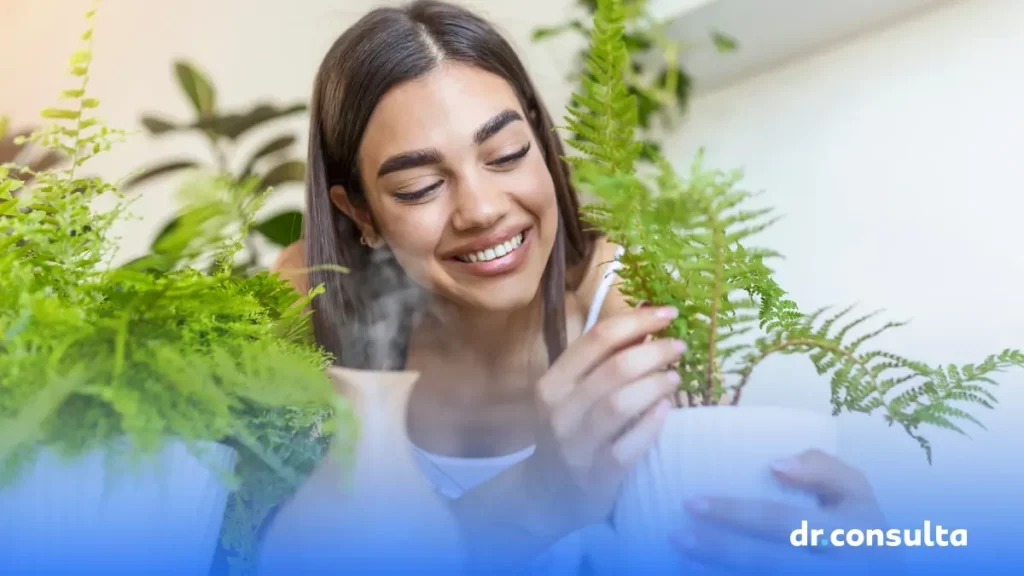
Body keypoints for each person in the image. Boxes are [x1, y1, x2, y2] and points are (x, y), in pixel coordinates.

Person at [260, 0, 891, 573]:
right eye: (420, 188)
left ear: (541, 139)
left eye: (506, 153)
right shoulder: (310, 312)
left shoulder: (616, 298)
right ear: (361, 213)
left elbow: (704, 516)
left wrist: (861, 545)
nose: (481, 209)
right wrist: (538, 495)